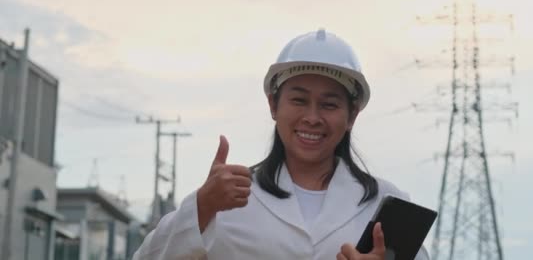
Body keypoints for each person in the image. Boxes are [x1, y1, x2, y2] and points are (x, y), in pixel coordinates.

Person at [133, 30, 430, 260]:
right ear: (273, 105)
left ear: (352, 115)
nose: (312, 118)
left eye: (329, 104)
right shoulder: (225, 199)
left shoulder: (388, 205)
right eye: (299, 100)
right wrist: (201, 206)